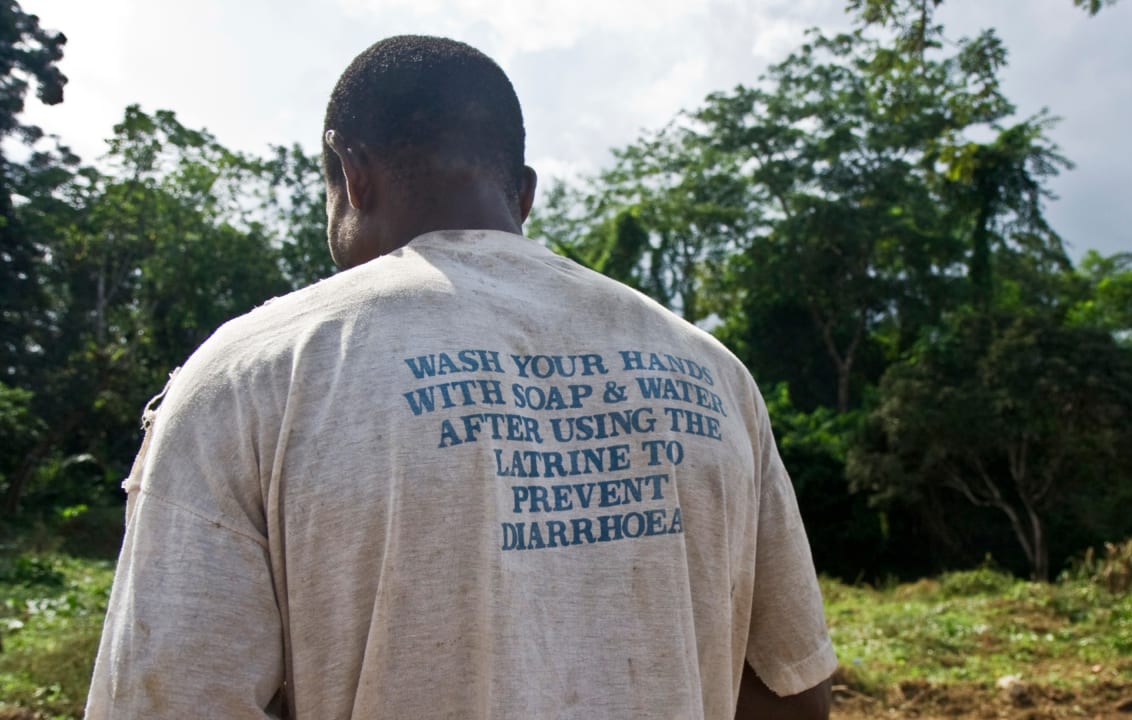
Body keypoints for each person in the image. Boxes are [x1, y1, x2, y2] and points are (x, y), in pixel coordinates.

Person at [85, 35, 835, 719]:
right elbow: (793, 687)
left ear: (353, 173)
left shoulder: (249, 379)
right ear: (525, 193)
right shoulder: (710, 373)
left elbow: (169, 697)